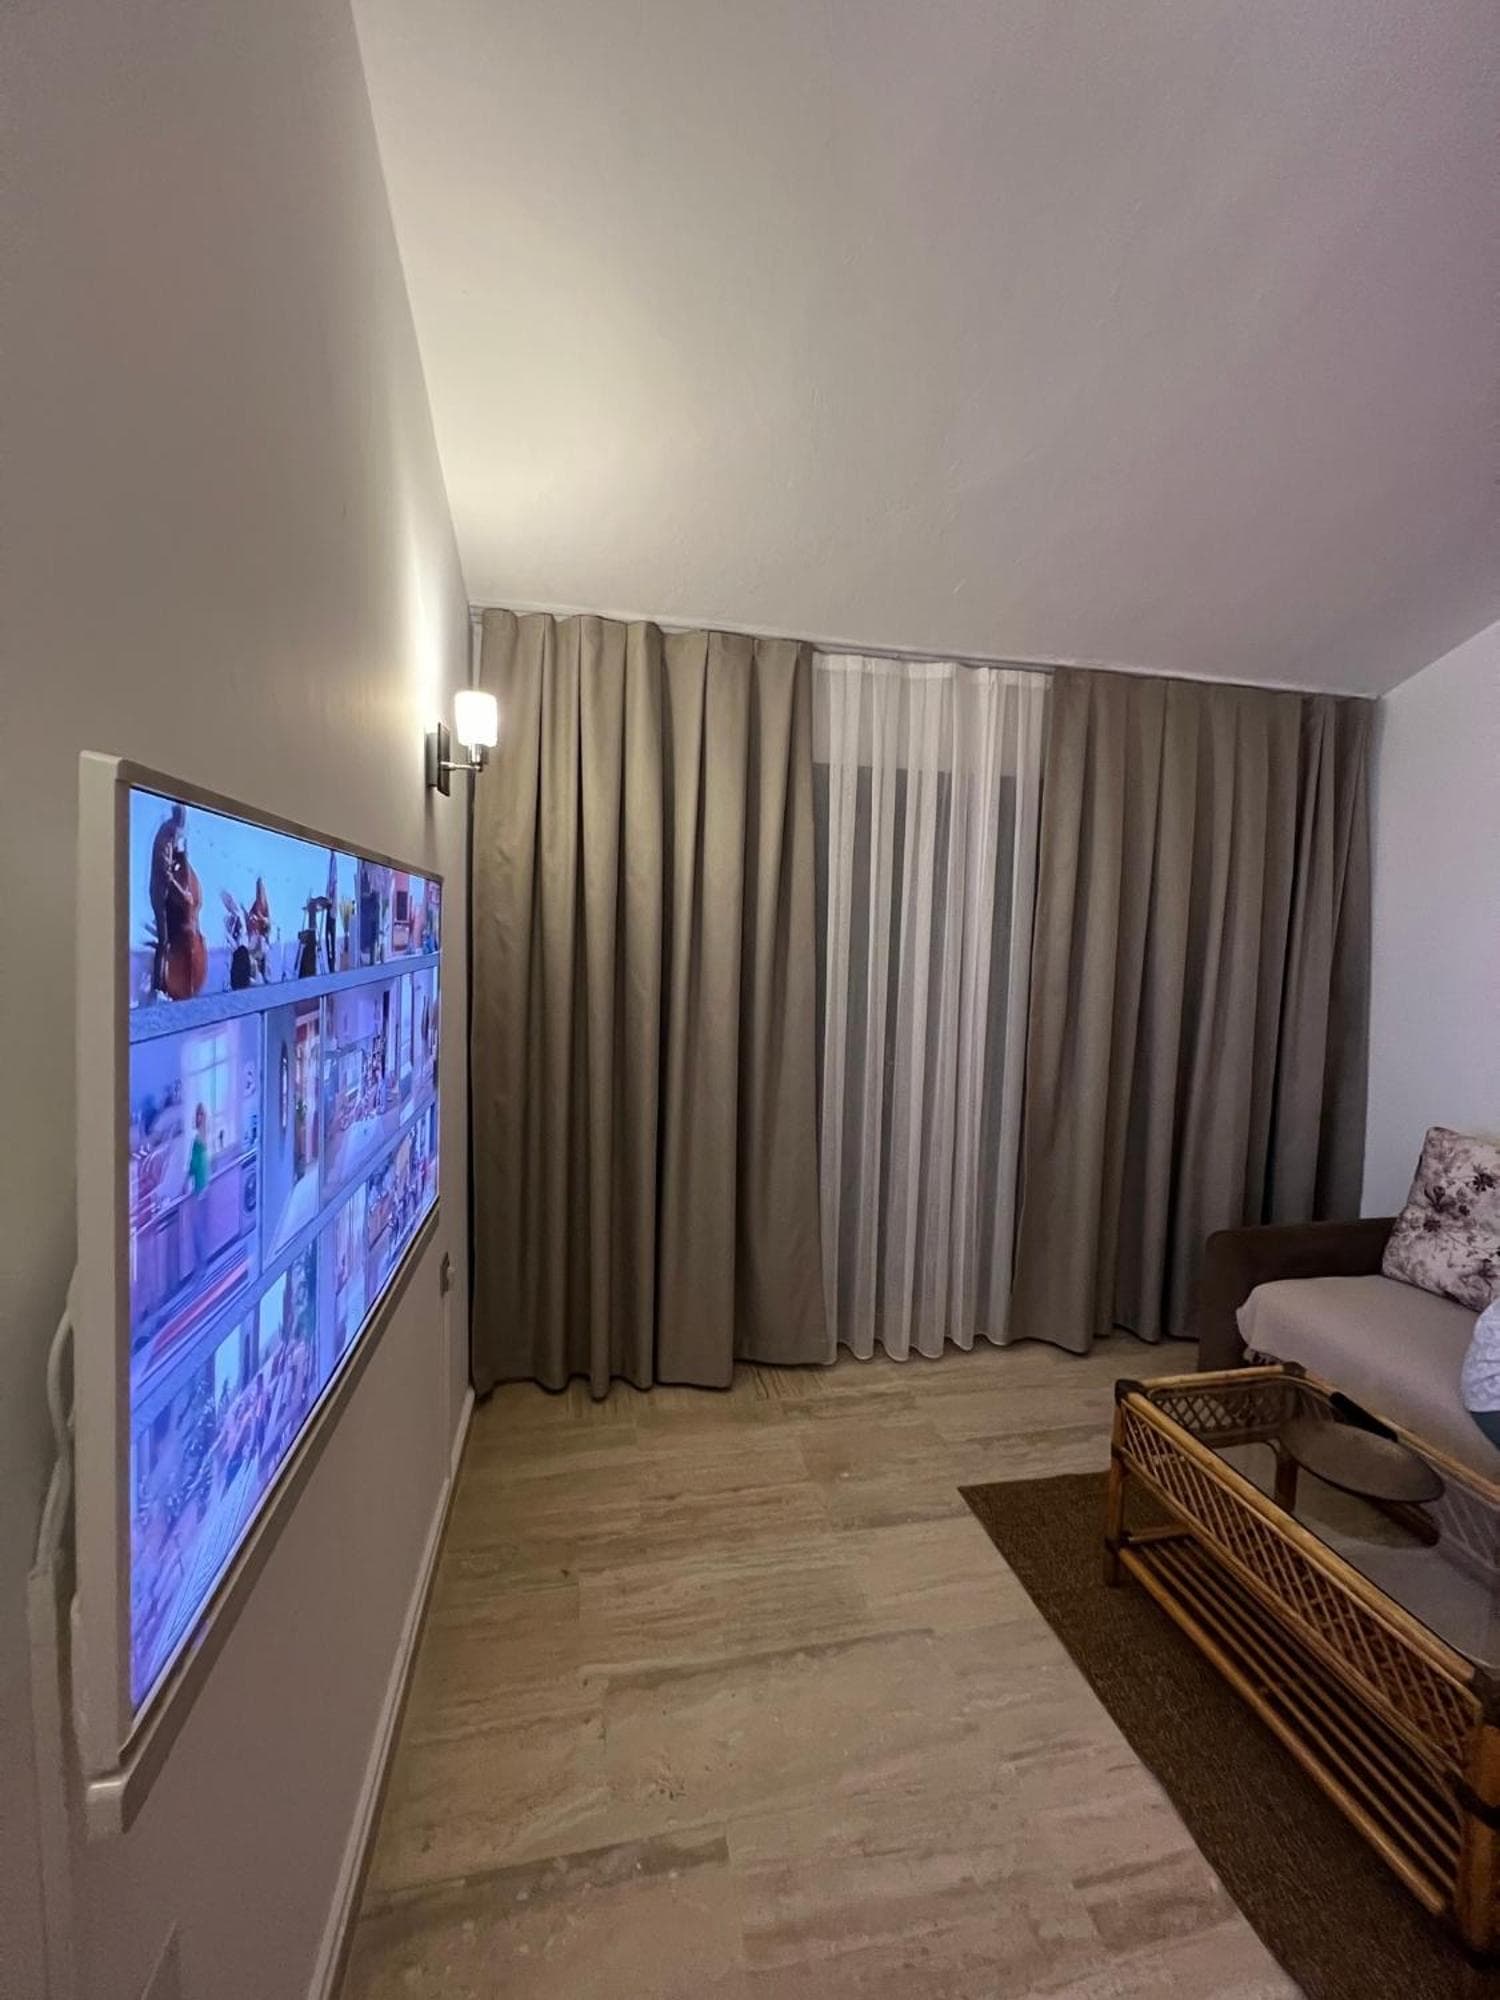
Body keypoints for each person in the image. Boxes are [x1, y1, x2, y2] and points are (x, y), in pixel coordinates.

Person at [148, 804, 187, 994]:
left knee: (167, 941)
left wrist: (181, 856)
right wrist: (182, 892)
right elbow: (164, 871)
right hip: (160, 892)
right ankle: (158, 987)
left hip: (164, 893)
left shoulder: (171, 835)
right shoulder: (166, 834)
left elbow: (173, 858)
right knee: (163, 941)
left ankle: (164, 984)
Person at [185, 1103, 211, 1273]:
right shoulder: (203, 1136)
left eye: (200, 1114)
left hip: (200, 1188)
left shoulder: (198, 1139)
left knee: (197, 1228)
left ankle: (200, 1266)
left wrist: (186, 1180)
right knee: (199, 1227)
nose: (198, 1117)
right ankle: (201, 1264)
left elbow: (194, 1165)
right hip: (203, 1186)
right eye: (197, 1114)